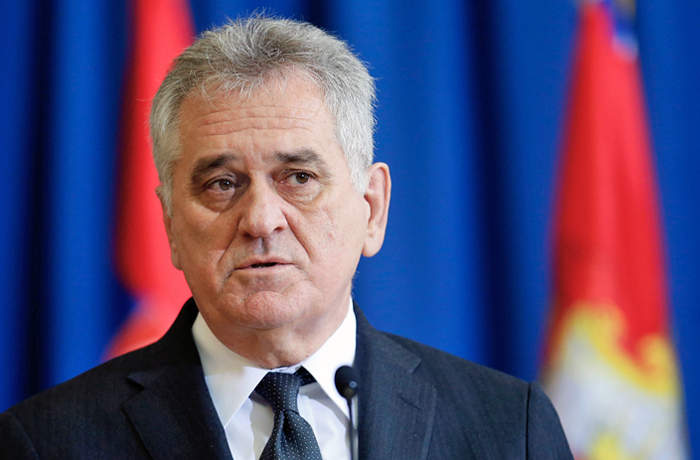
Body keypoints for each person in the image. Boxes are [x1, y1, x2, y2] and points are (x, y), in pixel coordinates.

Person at [0, 16, 573, 459]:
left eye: (298, 178)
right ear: (171, 224)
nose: (260, 220)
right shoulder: (45, 442)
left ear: (372, 208)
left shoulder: (508, 427)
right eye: (222, 184)